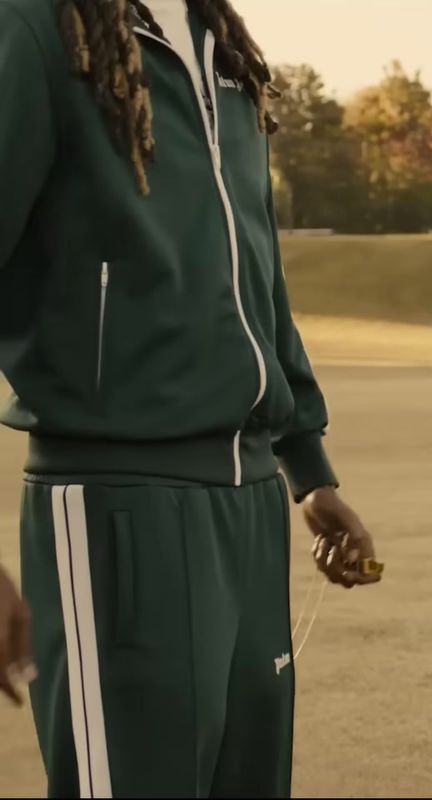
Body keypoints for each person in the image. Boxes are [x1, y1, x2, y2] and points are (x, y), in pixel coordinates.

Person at [0, 0, 382, 795]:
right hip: (116, 499)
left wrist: (306, 466)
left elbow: (259, 278)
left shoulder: (224, 54)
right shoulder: (37, 27)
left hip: (246, 502)